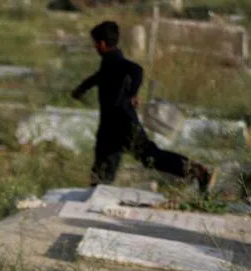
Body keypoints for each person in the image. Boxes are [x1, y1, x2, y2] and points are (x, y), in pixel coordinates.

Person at [71, 20, 215, 192]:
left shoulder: (117, 62)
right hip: (110, 127)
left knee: (149, 157)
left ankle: (198, 171)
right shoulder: (109, 64)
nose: (94, 47)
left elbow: (137, 70)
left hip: (123, 123)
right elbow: (98, 77)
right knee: (102, 172)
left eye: (95, 43)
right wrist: (81, 89)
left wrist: (132, 93)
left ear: (101, 44)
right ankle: (95, 197)